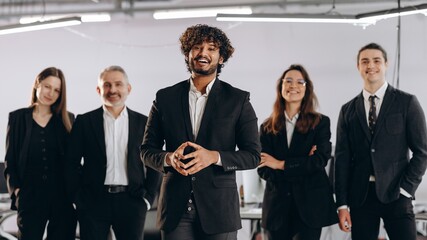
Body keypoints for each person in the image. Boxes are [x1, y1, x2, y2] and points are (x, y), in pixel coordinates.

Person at [140, 24, 261, 240]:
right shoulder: (164, 98)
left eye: (211, 48)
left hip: (219, 210)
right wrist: (169, 158)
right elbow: (147, 151)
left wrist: (214, 157)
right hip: (175, 210)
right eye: (197, 47)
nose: (203, 53)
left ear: (221, 57)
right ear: (188, 54)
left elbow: (252, 156)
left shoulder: (238, 100)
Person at [335, 42, 427, 240]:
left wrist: (406, 189)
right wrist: (342, 204)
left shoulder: (407, 102)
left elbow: (422, 152)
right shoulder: (348, 110)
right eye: (365, 61)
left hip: (397, 194)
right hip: (361, 197)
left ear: (386, 64)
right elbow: (342, 160)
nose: (371, 66)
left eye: (376, 60)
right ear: (358, 67)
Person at [65, 65, 161, 240]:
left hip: (132, 201)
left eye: (118, 84)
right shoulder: (84, 122)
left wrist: (148, 198)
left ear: (128, 88)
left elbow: (155, 161)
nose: (113, 90)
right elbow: (70, 162)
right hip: (93, 202)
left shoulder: (144, 123)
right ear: (98, 89)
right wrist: (77, 198)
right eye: (107, 85)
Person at [257, 64, 338, 240]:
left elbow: (319, 161)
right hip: (277, 209)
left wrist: (279, 164)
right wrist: (302, 164)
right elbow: (263, 168)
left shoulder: (320, 123)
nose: (293, 86)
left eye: (300, 82)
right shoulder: (266, 127)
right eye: (288, 81)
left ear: (306, 88)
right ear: (281, 87)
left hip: (310, 209)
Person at [4, 67, 77, 239]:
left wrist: (75, 193)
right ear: (37, 84)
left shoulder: (68, 119)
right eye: (47, 86)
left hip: (62, 198)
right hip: (29, 197)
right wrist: (17, 191)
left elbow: (73, 161)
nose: (50, 93)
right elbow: (11, 160)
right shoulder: (17, 118)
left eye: (57, 90)